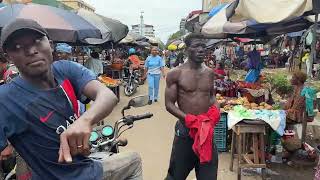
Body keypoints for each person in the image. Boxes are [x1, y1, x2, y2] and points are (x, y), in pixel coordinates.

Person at [0, 18, 143, 180]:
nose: (31, 50)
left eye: (37, 41)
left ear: (51, 44)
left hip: (76, 166)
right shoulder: (5, 99)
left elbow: (107, 96)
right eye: (17, 47)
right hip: (83, 175)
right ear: (8, 57)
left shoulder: (65, 70)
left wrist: (85, 121)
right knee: (134, 160)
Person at [165, 34, 219, 180]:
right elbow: (169, 104)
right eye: (196, 46)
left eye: (203, 46)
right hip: (185, 132)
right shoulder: (175, 73)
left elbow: (212, 96)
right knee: (175, 176)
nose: (201, 50)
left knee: (208, 177)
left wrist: (216, 111)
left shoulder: (209, 73)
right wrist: (189, 119)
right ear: (187, 49)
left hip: (206, 132)